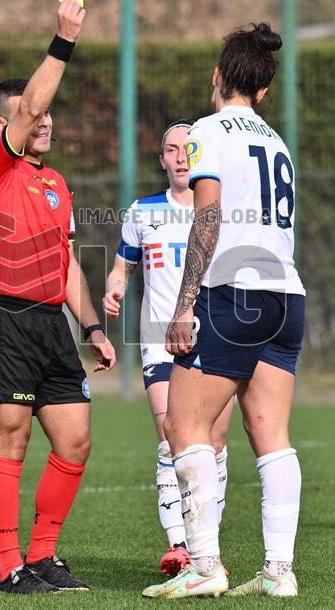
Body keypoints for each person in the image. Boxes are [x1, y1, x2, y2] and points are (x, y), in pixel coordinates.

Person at [142, 23, 305, 599]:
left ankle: (205, 563)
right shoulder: (277, 142)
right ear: (263, 91)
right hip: (286, 295)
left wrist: (185, 304)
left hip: (232, 290)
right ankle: (279, 572)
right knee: (273, 437)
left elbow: (206, 218)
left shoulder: (207, 131)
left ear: (218, 77)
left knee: (184, 425)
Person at [0, 0, 116, 594]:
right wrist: (63, 41)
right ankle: (9, 569)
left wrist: (93, 329)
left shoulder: (56, 183)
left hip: (53, 324)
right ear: (5, 128)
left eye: (51, 117)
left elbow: (67, 263)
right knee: (11, 440)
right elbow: (31, 102)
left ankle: (45, 556)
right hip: (2, 319)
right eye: (36, 117)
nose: (46, 121)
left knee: (75, 440)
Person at [102, 119, 234, 578]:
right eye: (171, 150)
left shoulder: (220, 210)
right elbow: (122, 268)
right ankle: (179, 544)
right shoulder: (143, 212)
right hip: (160, 344)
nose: (180, 157)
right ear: (160, 160)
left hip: (216, 339)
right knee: (171, 439)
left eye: (187, 149)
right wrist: (114, 289)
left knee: (215, 446)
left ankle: (207, 547)